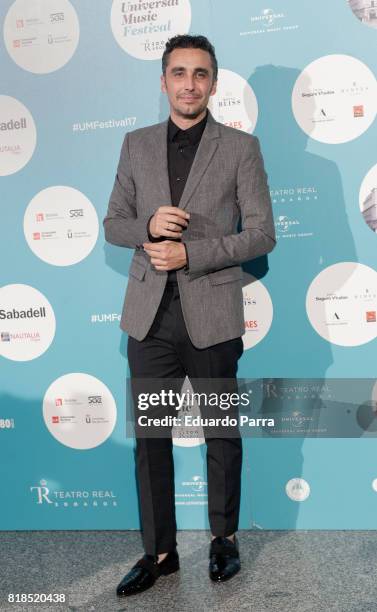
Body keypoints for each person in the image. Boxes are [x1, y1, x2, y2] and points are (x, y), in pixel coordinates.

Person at [103, 34, 276, 597]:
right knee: (150, 438)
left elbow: (261, 235)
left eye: (201, 74)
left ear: (214, 83)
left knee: (221, 434)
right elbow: (113, 225)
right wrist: (149, 226)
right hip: (148, 319)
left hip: (213, 315)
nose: (189, 83)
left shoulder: (240, 148)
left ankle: (224, 541)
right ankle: (160, 551)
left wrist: (192, 253)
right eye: (179, 72)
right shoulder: (135, 145)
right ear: (163, 81)